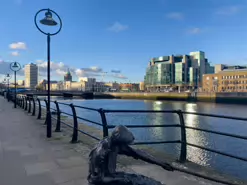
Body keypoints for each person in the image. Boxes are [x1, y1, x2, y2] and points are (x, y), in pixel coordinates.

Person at [88, 125, 174, 185]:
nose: (126, 146)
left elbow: (138, 153)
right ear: (120, 141)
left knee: (142, 180)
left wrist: (161, 163)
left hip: (109, 175)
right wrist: (122, 179)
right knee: (136, 181)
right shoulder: (101, 153)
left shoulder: (113, 143)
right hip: (102, 180)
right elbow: (98, 179)